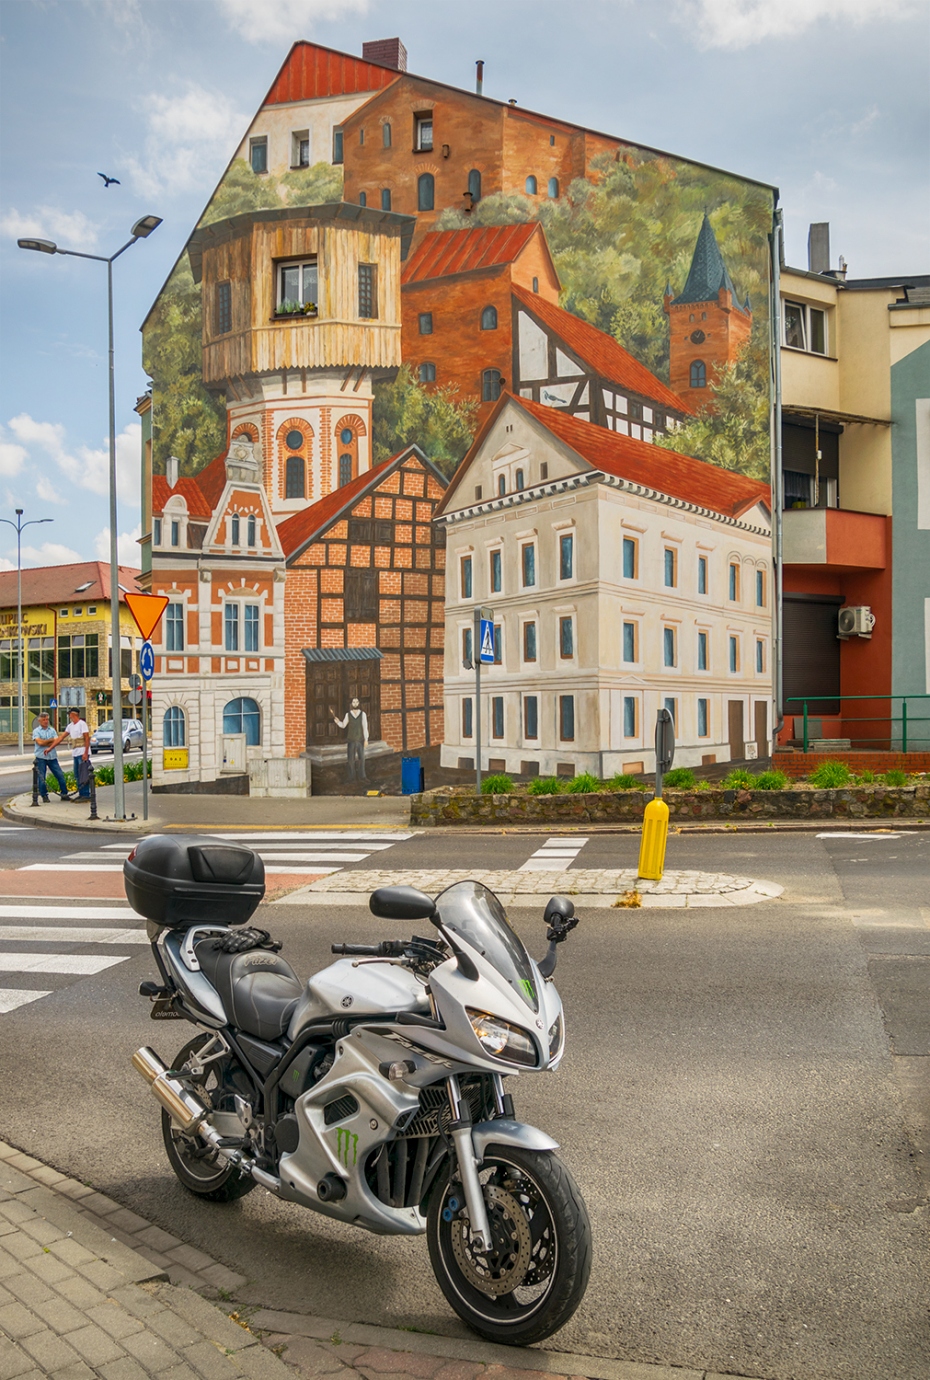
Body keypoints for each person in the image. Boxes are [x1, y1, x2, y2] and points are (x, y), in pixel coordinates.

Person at [32, 711, 70, 802]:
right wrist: (51, 741)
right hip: (41, 757)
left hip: (52, 757)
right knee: (42, 777)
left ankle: (64, 794)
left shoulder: (52, 730)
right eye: (44, 720)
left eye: (47, 719)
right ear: (39, 721)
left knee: (60, 775)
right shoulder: (36, 731)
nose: (46, 721)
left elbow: (57, 741)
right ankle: (44, 796)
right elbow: (40, 743)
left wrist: (47, 741)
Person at [330, 697, 369, 781]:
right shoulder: (348, 714)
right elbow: (343, 725)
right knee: (350, 760)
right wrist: (338, 722)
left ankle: (362, 776)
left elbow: (365, 727)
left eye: (356, 702)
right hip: (351, 740)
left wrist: (366, 739)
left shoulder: (363, 714)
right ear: (351, 704)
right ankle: (351, 777)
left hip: (360, 740)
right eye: (353, 702)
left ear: (358, 703)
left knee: (361, 759)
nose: (355, 703)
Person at [65, 706, 92, 799]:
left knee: (83, 773)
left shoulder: (82, 724)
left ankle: (85, 794)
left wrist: (85, 753)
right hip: (75, 752)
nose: (69, 716)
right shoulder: (70, 726)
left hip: (82, 752)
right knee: (77, 774)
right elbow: (62, 736)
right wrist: (51, 747)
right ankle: (81, 793)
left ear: (73, 714)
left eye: (70, 714)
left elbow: (86, 738)